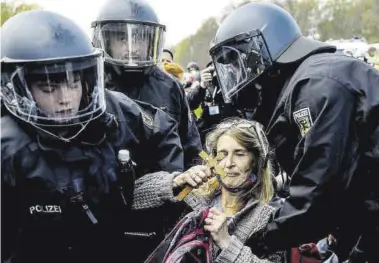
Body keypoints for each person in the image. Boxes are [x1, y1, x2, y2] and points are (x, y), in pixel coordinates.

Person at [208, 2, 379, 262]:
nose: (238, 78)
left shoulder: (314, 86)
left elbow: (316, 195)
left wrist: (254, 240)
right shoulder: (310, 81)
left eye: (239, 64)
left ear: (260, 52)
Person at [1, 10, 184, 263]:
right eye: (49, 88)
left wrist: (165, 194)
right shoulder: (7, 147)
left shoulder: (113, 111)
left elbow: (163, 129)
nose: (66, 99)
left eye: (73, 83)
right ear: (21, 88)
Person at [132, 118, 284, 262]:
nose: (228, 163)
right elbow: (127, 198)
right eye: (222, 155)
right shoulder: (192, 196)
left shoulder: (269, 217)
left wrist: (228, 244)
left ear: (257, 162)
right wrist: (176, 181)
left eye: (239, 154)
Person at [91, 0, 202, 169]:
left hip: (165, 188)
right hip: (110, 190)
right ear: (106, 41)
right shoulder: (92, 87)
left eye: (139, 39)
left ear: (151, 42)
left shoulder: (170, 87)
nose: (132, 48)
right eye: (122, 39)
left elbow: (191, 147)